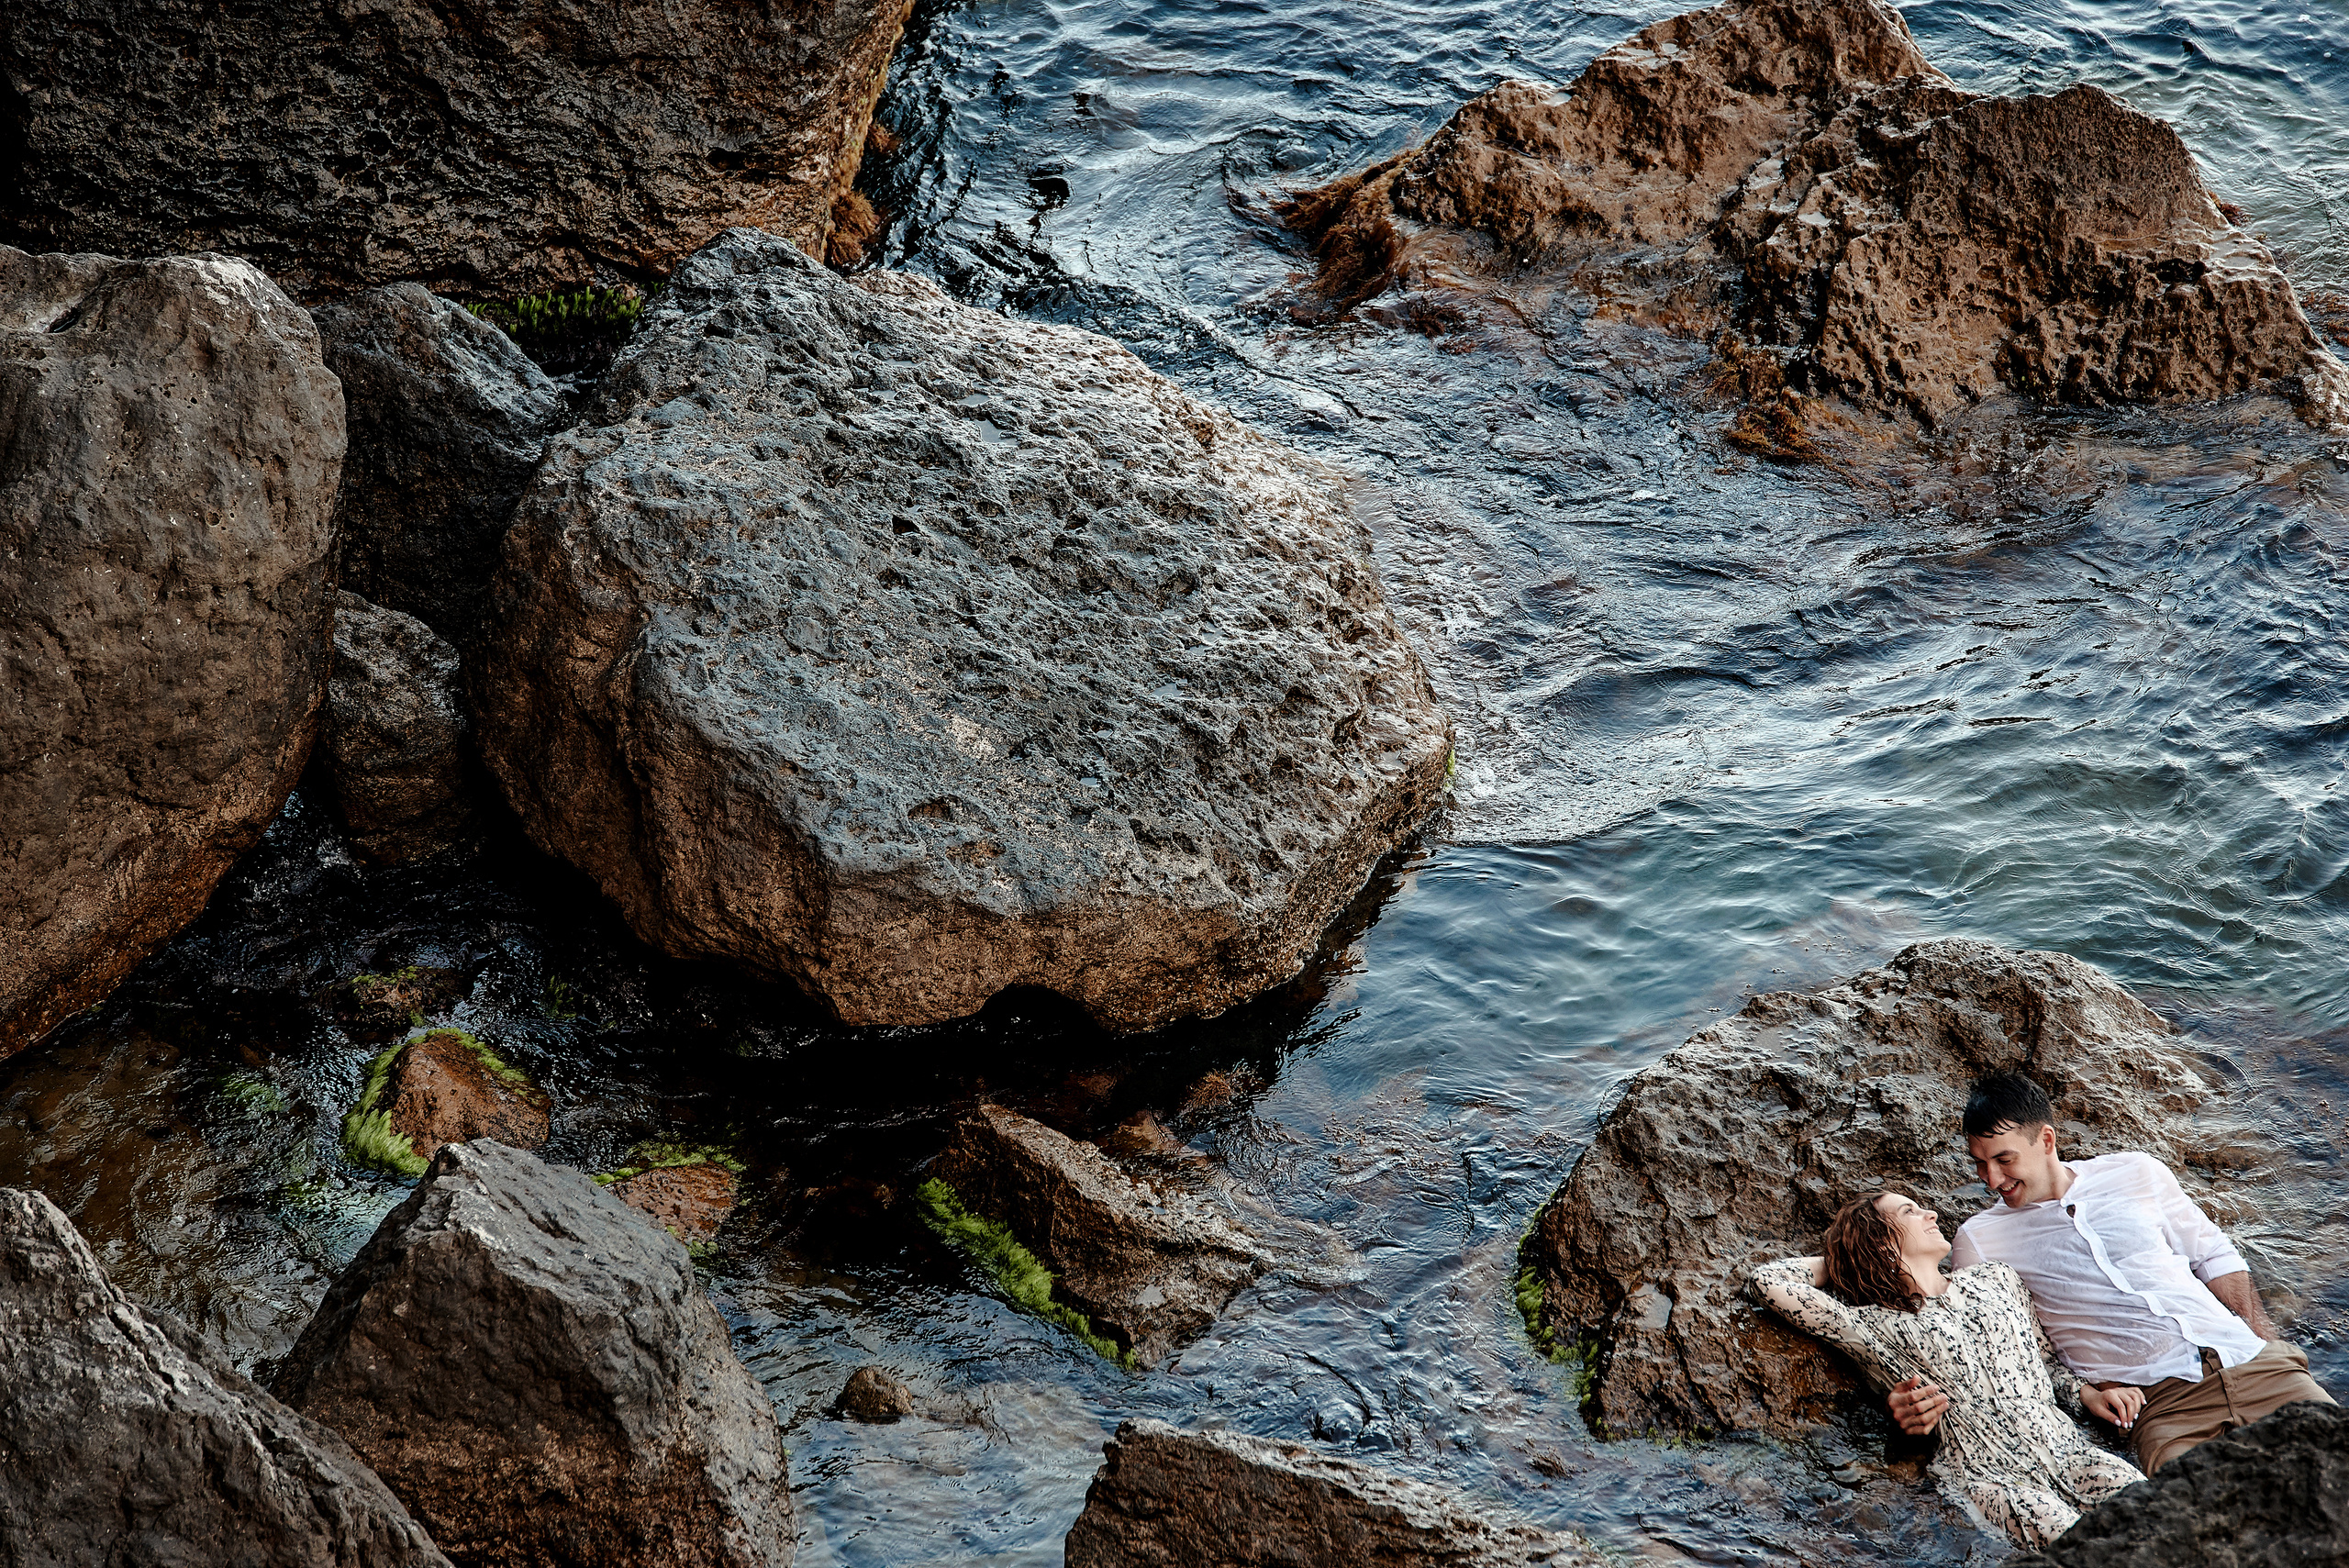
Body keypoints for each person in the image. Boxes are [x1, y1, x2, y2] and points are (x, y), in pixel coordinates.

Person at [1888, 1071, 2335, 1475]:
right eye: (1980, 1163)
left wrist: (2264, 1337)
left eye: (2003, 1159)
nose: (1991, 1178)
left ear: (2046, 1141)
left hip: (2253, 1363)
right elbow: (1990, 1343)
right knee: (2205, 1525)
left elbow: (2213, 1255)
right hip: (2161, 1408)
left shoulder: (2136, 1172)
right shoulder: (1981, 1239)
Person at [1753, 1189, 2143, 1549]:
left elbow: (2040, 1359)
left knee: (2157, 1514)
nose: (1931, 1213)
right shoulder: (1871, 1326)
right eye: (1910, 1211)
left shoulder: (1998, 1279)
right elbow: (1768, 1281)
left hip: (2070, 1451)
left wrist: (2085, 1393)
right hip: (1989, 1478)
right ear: (1881, 1240)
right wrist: (1850, 1258)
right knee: (2084, 1552)